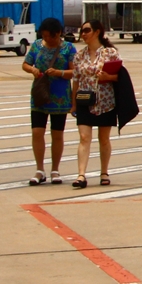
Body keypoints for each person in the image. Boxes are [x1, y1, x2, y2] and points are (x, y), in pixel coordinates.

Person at [21, 18, 76, 185]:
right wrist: (32, 69)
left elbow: (74, 72)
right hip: (40, 94)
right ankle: (39, 169)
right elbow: (25, 64)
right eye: (44, 36)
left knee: (57, 134)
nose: (47, 40)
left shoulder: (68, 48)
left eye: (50, 36)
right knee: (37, 132)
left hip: (60, 97)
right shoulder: (37, 45)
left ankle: (55, 169)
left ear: (58, 34)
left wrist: (59, 72)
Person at [70, 20, 120, 189]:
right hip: (85, 99)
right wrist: (73, 103)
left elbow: (120, 76)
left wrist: (109, 77)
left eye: (86, 30)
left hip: (105, 101)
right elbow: (75, 80)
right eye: (82, 31)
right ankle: (81, 174)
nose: (83, 34)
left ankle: (104, 172)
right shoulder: (79, 56)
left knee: (104, 139)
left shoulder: (111, 53)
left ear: (97, 32)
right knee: (84, 137)